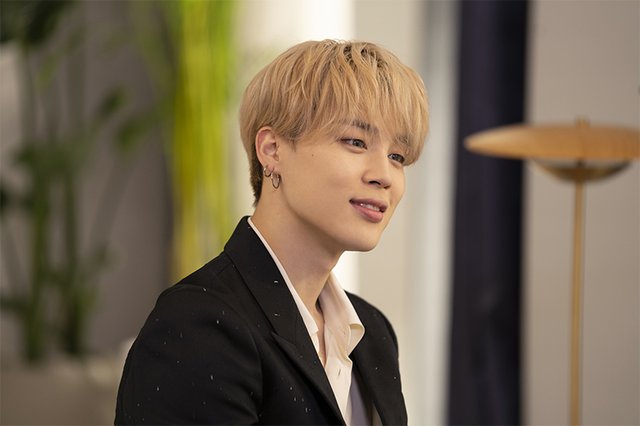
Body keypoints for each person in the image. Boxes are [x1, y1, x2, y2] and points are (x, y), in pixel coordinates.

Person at [115, 39, 429, 425]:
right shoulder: (198, 326)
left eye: (397, 156)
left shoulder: (373, 334)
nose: (384, 176)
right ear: (272, 149)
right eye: (355, 142)